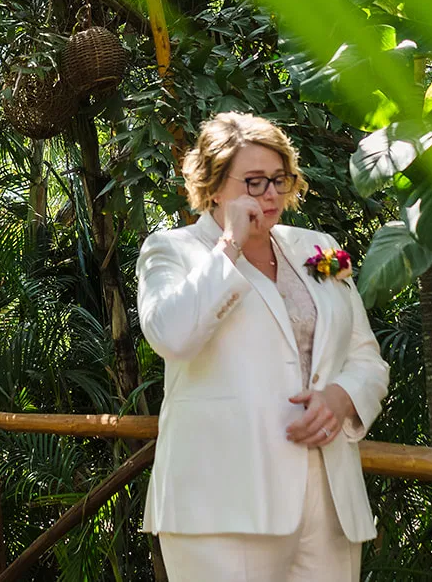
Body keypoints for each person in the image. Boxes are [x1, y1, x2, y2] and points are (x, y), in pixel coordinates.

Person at [136, 112, 391, 582]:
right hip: (222, 503)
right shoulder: (170, 250)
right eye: (254, 182)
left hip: (329, 498)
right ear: (213, 185)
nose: (271, 194)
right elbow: (171, 337)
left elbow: (366, 356)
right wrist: (230, 244)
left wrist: (341, 398)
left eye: (279, 178)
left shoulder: (320, 248)